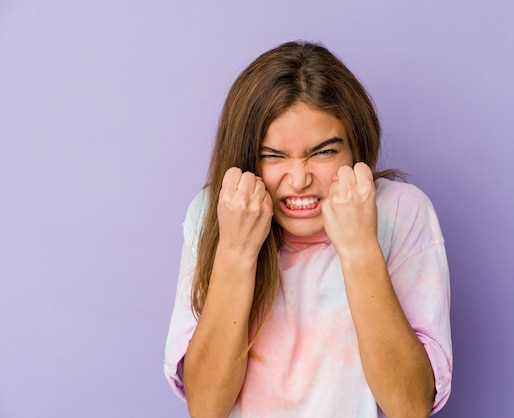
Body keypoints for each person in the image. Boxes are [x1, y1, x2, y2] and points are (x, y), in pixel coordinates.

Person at [164, 41, 452, 418]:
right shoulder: (216, 211)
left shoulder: (400, 211)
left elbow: (411, 406)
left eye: (324, 152)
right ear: (246, 157)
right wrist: (236, 250)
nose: (299, 180)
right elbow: (205, 408)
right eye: (272, 156)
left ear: (355, 150)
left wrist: (360, 248)